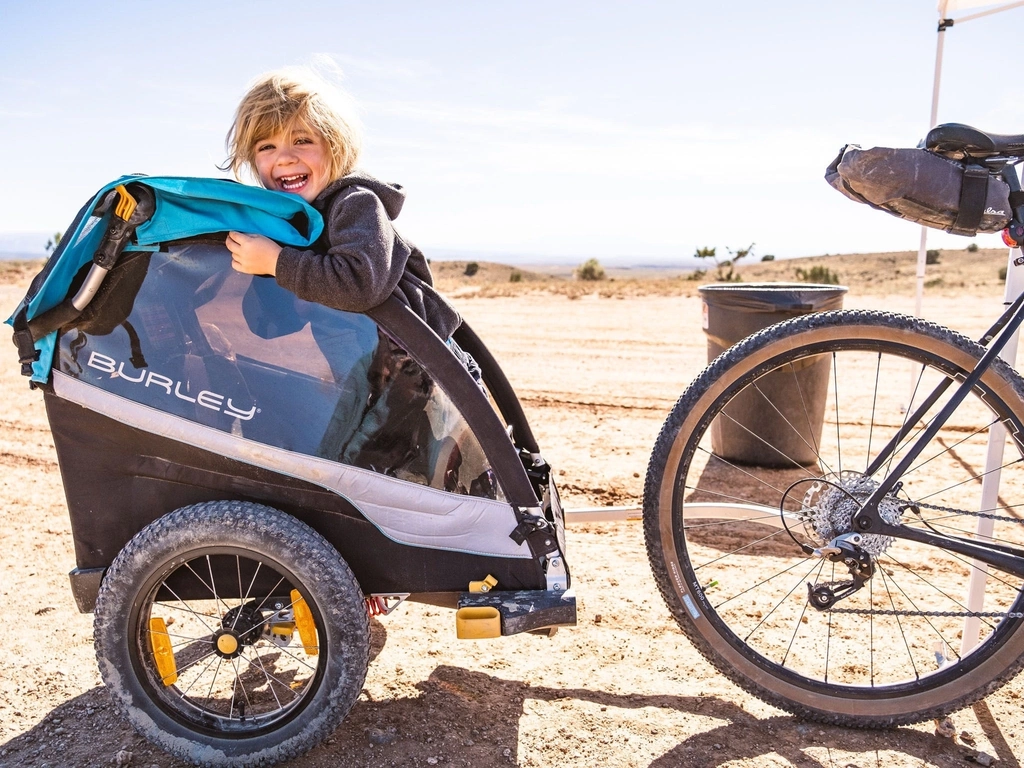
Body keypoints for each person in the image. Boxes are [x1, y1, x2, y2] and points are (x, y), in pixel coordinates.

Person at [221, 66, 470, 360]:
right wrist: (264, 271)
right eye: (267, 146)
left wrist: (276, 262)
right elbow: (271, 326)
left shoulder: (355, 203)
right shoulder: (295, 222)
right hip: (365, 370)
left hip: (424, 367)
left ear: (335, 146)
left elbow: (360, 284)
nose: (285, 158)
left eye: (302, 140)